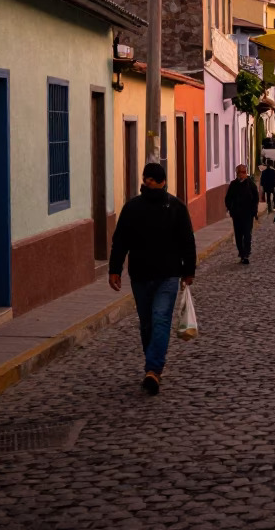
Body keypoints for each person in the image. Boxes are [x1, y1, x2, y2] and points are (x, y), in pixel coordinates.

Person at [108, 163, 196, 396]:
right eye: (147, 180)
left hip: (167, 275)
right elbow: (121, 241)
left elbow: (187, 239)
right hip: (140, 276)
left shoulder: (176, 207)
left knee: (160, 319)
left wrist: (189, 270)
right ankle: (153, 363)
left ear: (162, 182)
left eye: (153, 180)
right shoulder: (132, 208)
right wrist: (114, 269)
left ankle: (154, 369)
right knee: (147, 323)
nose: (150, 183)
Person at [224, 164, 259, 265]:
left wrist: (254, 209)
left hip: (248, 214)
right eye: (240, 172)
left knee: (247, 234)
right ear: (237, 173)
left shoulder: (250, 184)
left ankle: (246, 253)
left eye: (244, 172)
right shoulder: (233, 184)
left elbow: (255, 198)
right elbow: (228, 198)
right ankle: (241, 253)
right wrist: (230, 208)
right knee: (238, 235)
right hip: (237, 214)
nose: (243, 174)